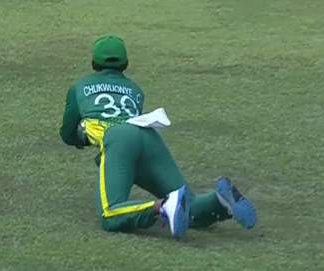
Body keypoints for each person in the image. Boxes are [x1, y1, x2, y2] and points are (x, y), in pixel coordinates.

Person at [60, 35, 256, 239]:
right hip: (147, 134)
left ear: (93, 63)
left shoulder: (79, 87)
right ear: (125, 63)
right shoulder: (135, 90)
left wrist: (80, 136)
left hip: (118, 140)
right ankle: (220, 202)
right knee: (188, 202)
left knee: (110, 213)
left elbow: (67, 134)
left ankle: (163, 207)